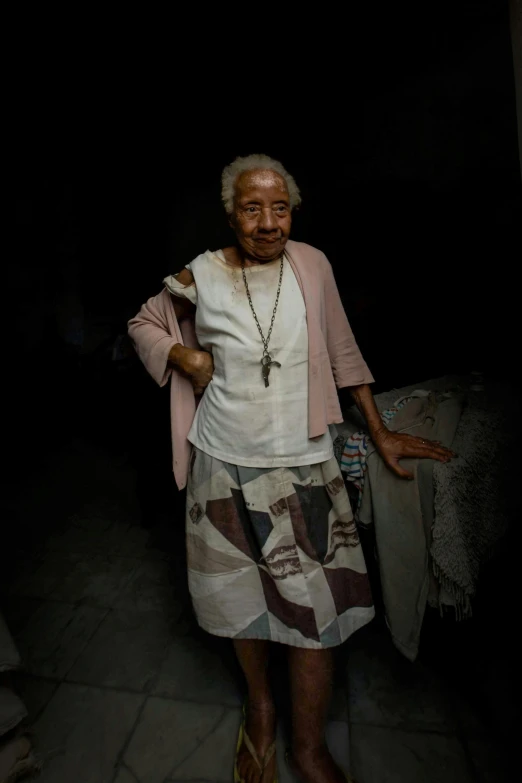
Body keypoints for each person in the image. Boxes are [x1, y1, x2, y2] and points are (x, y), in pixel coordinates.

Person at [128, 154, 454, 783]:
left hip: (303, 467)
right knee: (238, 602)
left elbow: (341, 349)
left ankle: (309, 746)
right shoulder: (199, 273)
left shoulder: (313, 264)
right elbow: (143, 322)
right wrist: (179, 355)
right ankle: (261, 709)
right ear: (232, 214)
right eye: (252, 208)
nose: (268, 222)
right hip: (221, 464)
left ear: (293, 213)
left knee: (316, 613)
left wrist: (379, 431)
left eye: (279, 208)